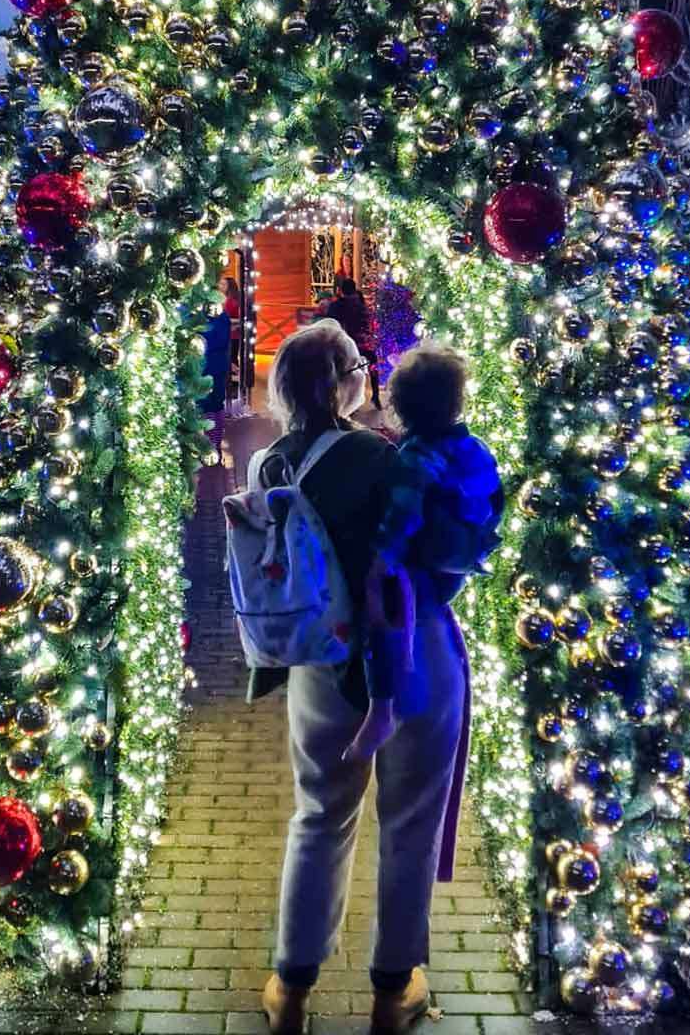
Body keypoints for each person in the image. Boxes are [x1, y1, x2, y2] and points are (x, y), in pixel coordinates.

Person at [250, 320, 470, 1035]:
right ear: (344, 379)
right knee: (409, 822)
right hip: (416, 656)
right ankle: (392, 988)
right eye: (357, 366)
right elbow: (442, 556)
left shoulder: (268, 465)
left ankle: (291, 986)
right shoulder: (383, 458)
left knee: (319, 815)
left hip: (322, 661)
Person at [343, 343, 504, 764]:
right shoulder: (476, 448)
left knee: (380, 615)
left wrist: (381, 560)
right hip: (461, 562)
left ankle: (382, 706)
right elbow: (496, 500)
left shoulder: (415, 456)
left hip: (425, 565)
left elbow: (404, 514)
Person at [325, 278, 382, 410]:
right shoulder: (361, 304)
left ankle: (339, 399)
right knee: (373, 363)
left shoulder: (339, 305)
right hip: (366, 344)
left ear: (341, 291)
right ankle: (375, 395)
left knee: (337, 366)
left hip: (347, 343)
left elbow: (331, 322)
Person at [219, 273, 242, 397]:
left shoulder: (231, 301)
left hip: (232, 336)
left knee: (232, 360)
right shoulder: (226, 300)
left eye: (223, 284)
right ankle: (232, 385)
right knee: (231, 360)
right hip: (229, 335)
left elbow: (237, 319)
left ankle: (234, 386)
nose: (220, 286)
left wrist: (226, 321)